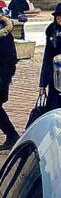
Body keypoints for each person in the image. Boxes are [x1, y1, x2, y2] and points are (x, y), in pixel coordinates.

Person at [0, 14, 18, 150]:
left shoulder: (4, 34)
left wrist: (4, 79)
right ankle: (11, 135)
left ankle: (12, 135)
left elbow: (10, 60)